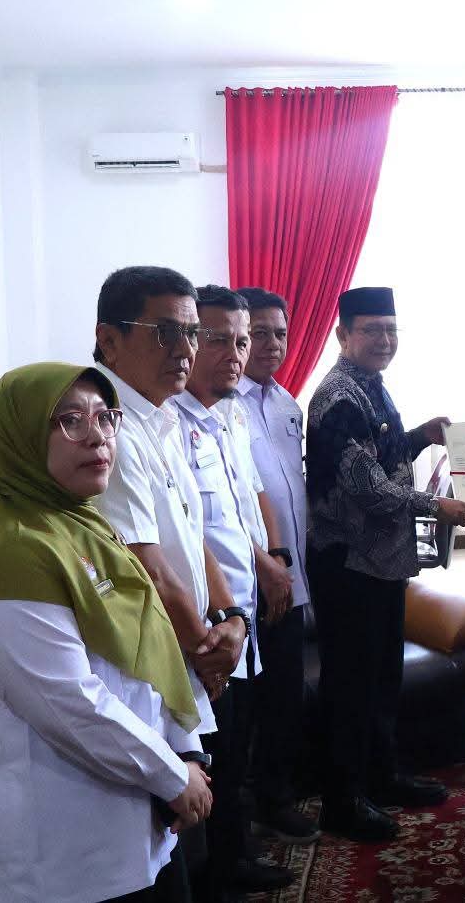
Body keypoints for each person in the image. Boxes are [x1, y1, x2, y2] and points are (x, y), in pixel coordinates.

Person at [0, 362, 211, 903]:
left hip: (133, 823)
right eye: (68, 420)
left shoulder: (85, 526)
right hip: (59, 860)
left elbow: (148, 651)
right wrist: (172, 777)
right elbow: (71, 704)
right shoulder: (9, 553)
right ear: (19, 438)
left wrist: (188, 752)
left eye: (105, 417)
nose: (97, 435)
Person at [306, 286, 465, 842]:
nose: (383, 340)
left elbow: (378, 454)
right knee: (352, 686)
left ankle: (380, 778)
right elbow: (367, 488)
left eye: (390, 329)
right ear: (343, 335)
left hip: (380, 564)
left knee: (383, 679)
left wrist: (420, 438)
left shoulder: (371, 385)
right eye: (371, 330)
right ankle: (343, 801)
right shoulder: (337, 397)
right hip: (349, 566)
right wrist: (437, 506)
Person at [91, 266, 249, 756]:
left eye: (192, 333)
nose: (185, 350)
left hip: (188, 650)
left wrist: (232, 615)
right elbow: (147, 566)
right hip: (145, 669)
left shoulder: (160, 416)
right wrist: (208, 653)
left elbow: (190, 533)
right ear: (109, 341)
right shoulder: (105, 430)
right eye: (165, 332)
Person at [173, 286, 293, 898]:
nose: (236, 353)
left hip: (244, 611)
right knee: (215, 748)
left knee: (239, 742)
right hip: (205, 622)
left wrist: (274, 559)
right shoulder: (169, 423)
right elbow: (190, 531)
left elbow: (251, 499)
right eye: (217, 339)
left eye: (241, 341)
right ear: (190, 342)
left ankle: (235, 858)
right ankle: (218, 872)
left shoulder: (232, 415)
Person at [232, 287, 316, 844]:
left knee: (287, 694)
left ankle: (276, 796)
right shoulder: (222, 405)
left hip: (294, 576)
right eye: (257, 334)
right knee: (250, 706)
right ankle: (249, 810)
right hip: (250, 579)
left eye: (279, 334)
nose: (270, 344)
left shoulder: (287, 403)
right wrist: (267, 561)